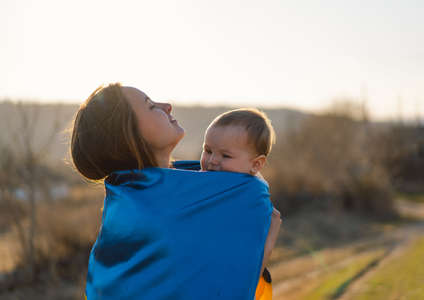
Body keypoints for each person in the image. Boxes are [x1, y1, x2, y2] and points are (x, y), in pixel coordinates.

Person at [71, 83, 281, 299]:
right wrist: (264, 248)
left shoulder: (208, 183)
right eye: (151, 106)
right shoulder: (144, 213)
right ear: (128, 132)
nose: (167, 106)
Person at [200, 108, 278, 300]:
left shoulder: (249, 197)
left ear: (256, 165)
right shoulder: (207, 181)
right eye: (208, 150)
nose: (212, 161)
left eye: (225, 156)